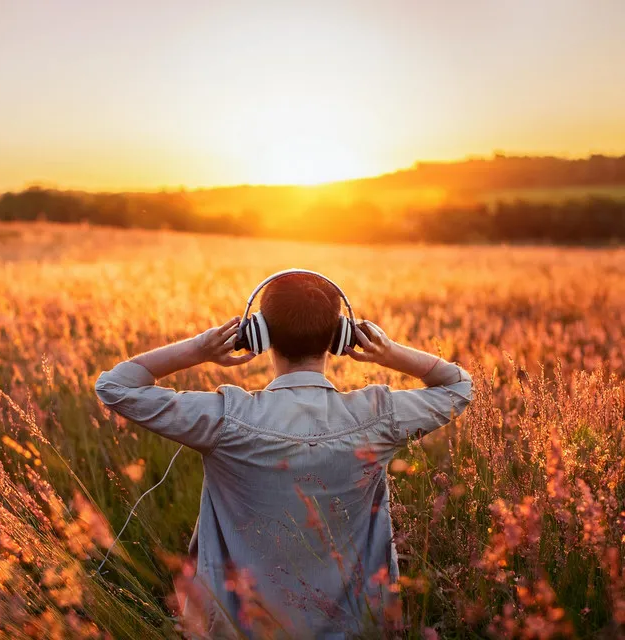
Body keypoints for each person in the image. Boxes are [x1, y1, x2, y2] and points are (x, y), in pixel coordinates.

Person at [95, 272, 473, 639]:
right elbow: (459, 386)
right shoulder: (378, 416)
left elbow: (114, 386)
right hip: (357, 631)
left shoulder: (226, 418)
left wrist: (199, 348)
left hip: (236, 631)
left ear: (258, 333)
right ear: (340, 336)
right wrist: (388, 353)